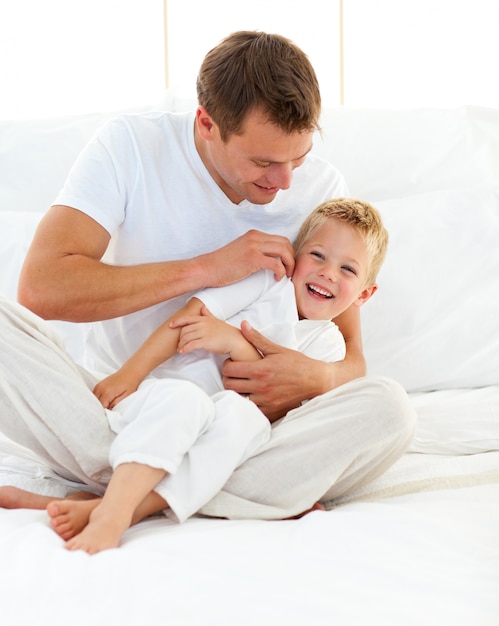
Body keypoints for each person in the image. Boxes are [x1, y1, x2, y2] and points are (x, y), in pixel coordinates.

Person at [0, 31, 416, 523]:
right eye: (263, 162)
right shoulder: (130, 146)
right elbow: (43, 288)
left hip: (241, 428)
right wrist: (206, 269)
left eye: (298, 158)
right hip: (116, 411)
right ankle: (230, 491)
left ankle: (125, 493)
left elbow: (350, 354)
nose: (285, 182)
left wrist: (320, 377)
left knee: (391, 410)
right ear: (206, 123)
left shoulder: (322, 188)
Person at [43, 197, 387, 554]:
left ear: (365, 294)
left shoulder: (328, 348)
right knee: (187, 401)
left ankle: (108, 507)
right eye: (318, 255)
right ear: (295, 256)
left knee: (245, 422)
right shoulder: (265, 284)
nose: (328, 272)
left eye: (348, 270)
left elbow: (273, 408)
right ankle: (110, 514)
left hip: (221, 435)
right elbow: (188, 320)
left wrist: (235, 343)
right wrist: (128, 375)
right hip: (169, 403)